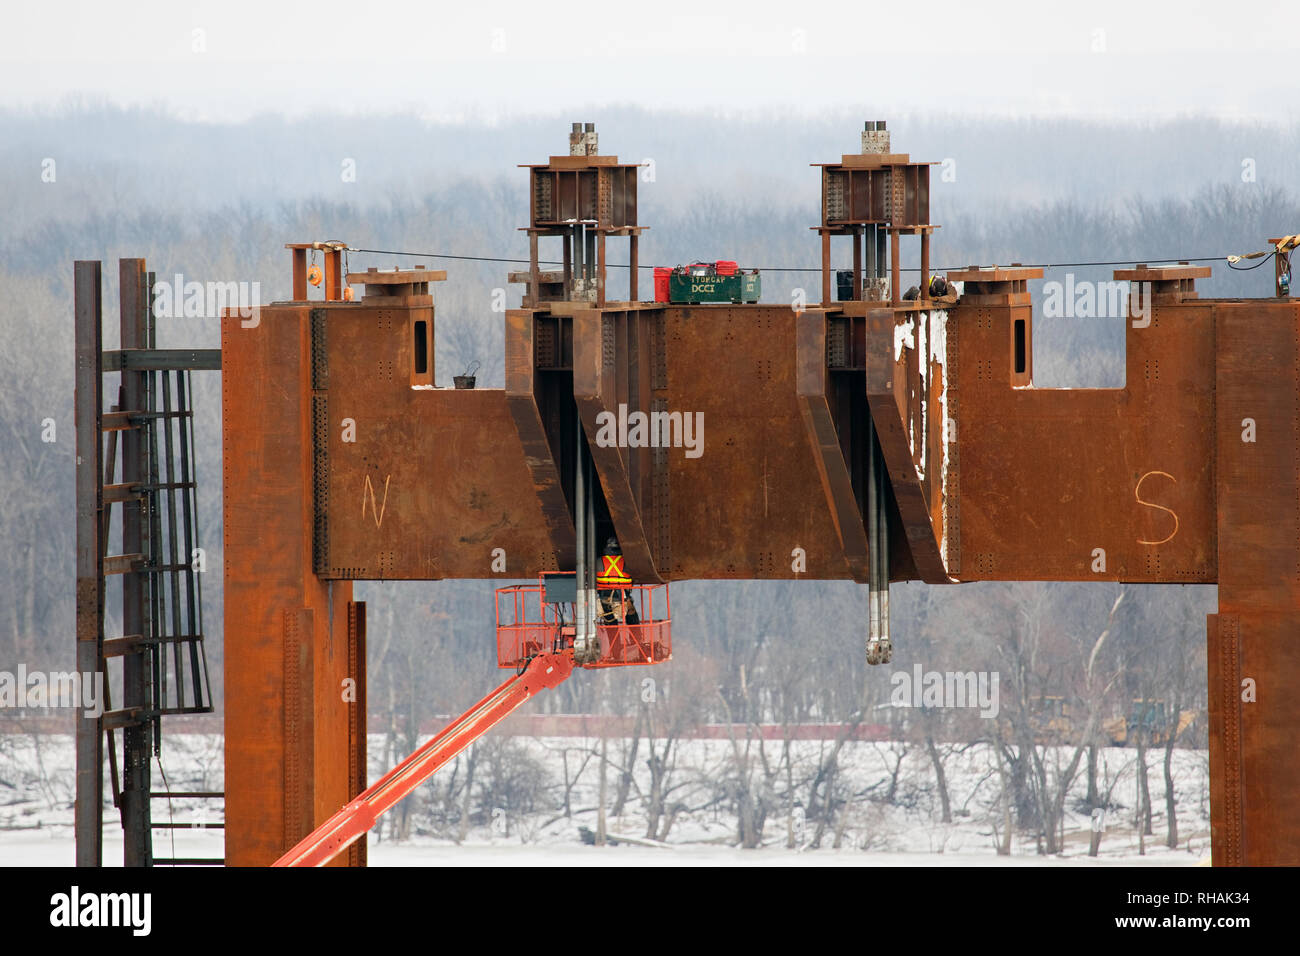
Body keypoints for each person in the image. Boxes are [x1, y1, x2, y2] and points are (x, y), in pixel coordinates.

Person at [595, 537, 639, 625]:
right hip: (623, 597)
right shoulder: (626, 562)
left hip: (604, 599)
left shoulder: (599, 561)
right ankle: (636, 633)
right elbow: (634, 577)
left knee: (610, 621)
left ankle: (613, 634)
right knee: (632, 615)